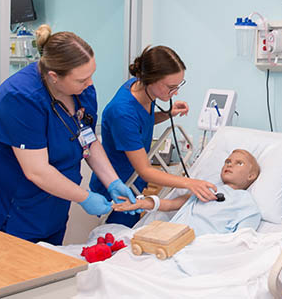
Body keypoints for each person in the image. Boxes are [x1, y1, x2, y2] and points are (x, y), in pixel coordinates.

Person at [0, 24, 138, 245]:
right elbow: (37, 170)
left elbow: (88, 138)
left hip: (54, 193)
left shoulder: (81, 90)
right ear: (54, 76)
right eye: (82, 79)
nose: (90, 83)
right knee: (12, 264)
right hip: (9, 197)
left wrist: (113, 182)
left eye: (91, 75)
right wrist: (85, 197)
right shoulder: (19, 98)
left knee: (50, 259)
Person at [89, 45, 217, 228]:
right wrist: (190, 183)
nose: (175, 92)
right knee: (116, 239)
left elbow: (139, 123)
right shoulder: (122, 111)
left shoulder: (141, 89)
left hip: (134, 183)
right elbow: (145, 170)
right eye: (171, 87)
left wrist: (167, 113)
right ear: (150, 79)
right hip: (118, 187)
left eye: (178, 86)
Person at [113, 149, 261, 236]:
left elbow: (242, 240)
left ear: (251, 176)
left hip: (204, 246)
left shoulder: (246, 203)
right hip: (172, 238)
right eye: (227, 161)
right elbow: (171, 204)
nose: (230, 165)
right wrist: (142, 203)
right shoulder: (206, 188)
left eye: (239, 163)